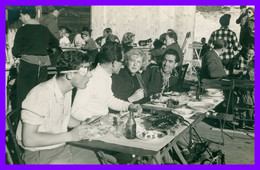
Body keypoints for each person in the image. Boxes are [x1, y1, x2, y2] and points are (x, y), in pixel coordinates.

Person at [15, 50, 107, 164]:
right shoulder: (40, 94)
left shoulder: (66, 90)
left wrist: (84, 124)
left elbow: (63, 117)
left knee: (101, 159)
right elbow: (29, 139)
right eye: (85, 70)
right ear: (69, 75)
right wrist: (70, 136)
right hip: (39, 155)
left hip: (59, 147)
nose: (90, 74)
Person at [71, 42, 142, 121]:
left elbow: (109, 100)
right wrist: (101, 119)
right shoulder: (91, 79)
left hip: (102, 124)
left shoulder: (106, 77)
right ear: (114, 63)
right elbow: (76, 110)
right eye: (121, 62)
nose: (122, 65)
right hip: (91, 127)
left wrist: (129, 106)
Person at [12, 6, 60, 109]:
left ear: (26, 15)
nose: (20, 18)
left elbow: (15, 52)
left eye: (21, 16)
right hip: (42, 67)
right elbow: (56, 43)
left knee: (24, 97)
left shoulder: (22, 30)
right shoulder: (44, 29)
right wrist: (47, 51)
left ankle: (21, 122)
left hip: (27, 67)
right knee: (40, 96)